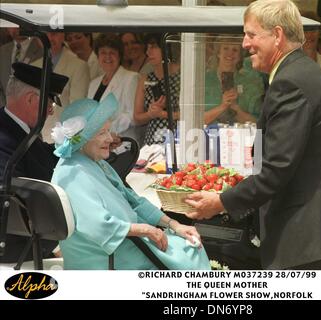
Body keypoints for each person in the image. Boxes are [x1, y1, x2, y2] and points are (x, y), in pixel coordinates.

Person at [185, 0, 321, 270]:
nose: (245, 44)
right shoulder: (302, 73)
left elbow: (277, 169)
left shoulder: (290, 82)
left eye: (251, 34)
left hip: (305, 238)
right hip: (312, 236)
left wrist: (221, 201)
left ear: (278, 35)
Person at [51, 94, 210, 270]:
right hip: (107, 259)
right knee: (191, 253)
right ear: (82, 139)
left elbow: (133, 200)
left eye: (108, 131)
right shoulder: (71, 173)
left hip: (126, 246)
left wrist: (175, 225)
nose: (110, 139)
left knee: (190, 243)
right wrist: (146, 230)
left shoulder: (96, 162)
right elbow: (97, 225)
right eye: (102, 133)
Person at [0, 62, 68, 263]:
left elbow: (39, 155)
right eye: (50, 104)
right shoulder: (5, 136)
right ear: (31, 99)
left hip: (33, 240)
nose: (50, 112)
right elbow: (16, 195)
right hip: (19, 249)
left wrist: (78, 146)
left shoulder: (14, 127)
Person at [32, 32, 90, 143]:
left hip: (63, 142)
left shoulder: (78, 66)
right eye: (45, 34)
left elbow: (78, 111)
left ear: (63, 35)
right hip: (36, 139)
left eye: (54, 33)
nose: (49, 38)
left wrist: (66, 144)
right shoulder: (33, 66)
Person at [204, 35, 264, 125]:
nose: (230, 53)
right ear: (218, 53)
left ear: (240, 56)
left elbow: (258, 123)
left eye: (235, 50)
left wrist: (235, 108)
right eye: (226, 48)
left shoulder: (250, 83)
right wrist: (223, 106)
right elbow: (193, 120)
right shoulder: (204, 80)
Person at [88, 33, 139, 138]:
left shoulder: (131, 78)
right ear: (97, 56)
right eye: (103, 53)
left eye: (112, 53)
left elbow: (132, 115)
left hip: (121, 144)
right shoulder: (93, 84)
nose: (107, 57)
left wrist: (107, 128)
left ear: (119, 56)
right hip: (97, 143)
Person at [133, 33, 181, 146]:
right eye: (147, 48)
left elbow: (191, 113)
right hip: (152, 141)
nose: (148, 52)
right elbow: (137, 117)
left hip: (178, 140)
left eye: (153, 47)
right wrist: (150, 114)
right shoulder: (145, 79)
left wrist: (162, 114)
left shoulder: (182, 76)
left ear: (166, 47)